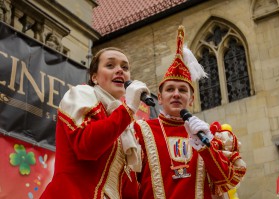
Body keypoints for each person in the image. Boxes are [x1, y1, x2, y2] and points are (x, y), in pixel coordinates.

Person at [133, 26, 247, 199]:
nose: (176, 94)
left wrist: (207, 147)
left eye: (183, 90)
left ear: (192, 99)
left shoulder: (209, 135)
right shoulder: (140, 131)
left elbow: (225, 181)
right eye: (170, 89)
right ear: (160, 98)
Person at [40, 47, 148, 199]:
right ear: (94, 77)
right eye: (110, 65)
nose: (119, 71)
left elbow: (128, 188)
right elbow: (86, 146)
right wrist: (128, 109)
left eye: (125, 67)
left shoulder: (126, 124)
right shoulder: (82, 94)